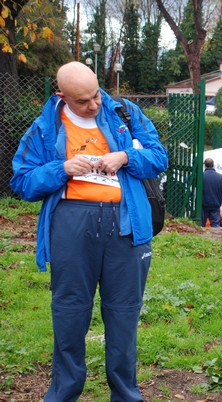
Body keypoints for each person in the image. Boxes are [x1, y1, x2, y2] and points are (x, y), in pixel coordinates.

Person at [10, 61, 168, 401]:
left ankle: (126, 395)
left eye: (96, 95)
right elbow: (22, 181)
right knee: (69, 312)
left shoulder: (124, 113)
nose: (93, 105)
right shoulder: (44, 128)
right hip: (71, 224)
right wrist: (61, 168)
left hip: (126, 225)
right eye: (83, 101)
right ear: (62, 96)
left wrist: (125, 157)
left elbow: (159, 156)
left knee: (124, 315)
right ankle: (63, 393)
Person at [202, 158, 222, 227]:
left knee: (200, 226)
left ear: (205, 165)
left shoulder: (201, 177)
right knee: (216, 226)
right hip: (215, 205)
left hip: (203, 205)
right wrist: (220, 201)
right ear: (213, 165)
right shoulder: (221, 177)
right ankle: (216, 238)